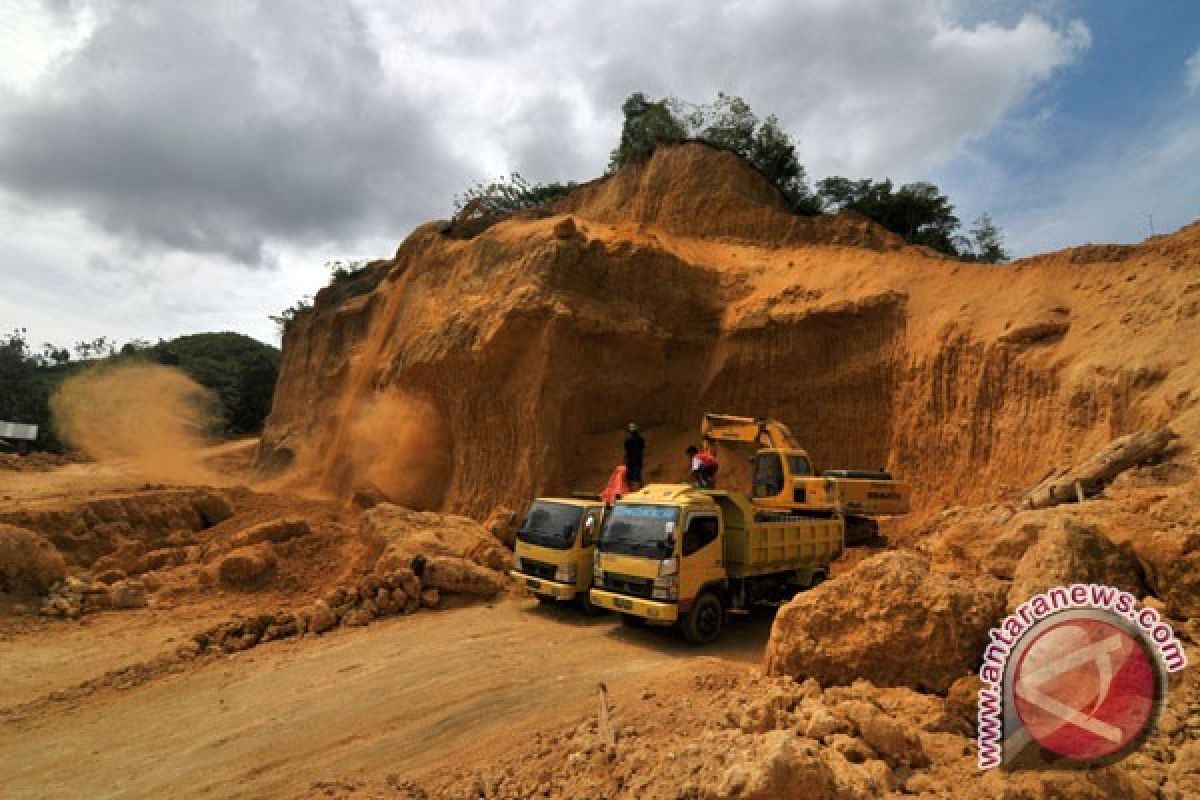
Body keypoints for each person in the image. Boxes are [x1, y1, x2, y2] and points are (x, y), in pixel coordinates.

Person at [623, 423, 645, 490]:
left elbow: (626, 450)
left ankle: (630, 488)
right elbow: (642, 448)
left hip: (631, 460)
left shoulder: (628, 440)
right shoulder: (640, 439)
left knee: (630, 475)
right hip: (637, 459)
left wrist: (626, 458)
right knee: (638, 474)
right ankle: (639, 487)